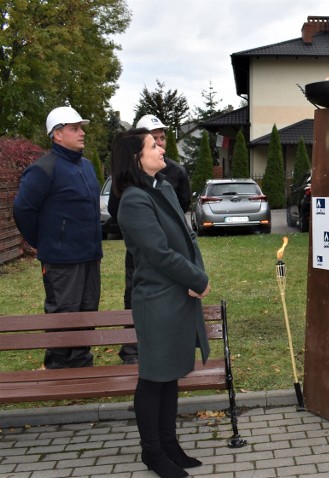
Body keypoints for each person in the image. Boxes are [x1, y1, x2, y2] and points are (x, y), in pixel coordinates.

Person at [110, 128, 210, 477]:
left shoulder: (161, 187)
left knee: (170, 376)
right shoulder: (135, 199)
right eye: (153, 145)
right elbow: (158, 253)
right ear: (136, 159)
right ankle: (152, 453)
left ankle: (169, 444)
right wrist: (196, 279)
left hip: (178, 295)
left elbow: (187, 239)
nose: (160, 148)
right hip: (157, 300)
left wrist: (195, 274)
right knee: (154, 378)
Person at [13, 106, 102, 369]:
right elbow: (22, 209)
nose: (81, 132)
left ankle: (81, 361)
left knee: (87, 310)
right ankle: (57, 365)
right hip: (61, 259)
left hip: (90, 255)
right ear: (57, 134)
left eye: (80, 127)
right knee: (64, 311)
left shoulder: (86, 166)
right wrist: (46, 242)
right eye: (75, 128)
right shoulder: (43, 169)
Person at [108, 114, 191, 365]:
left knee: (170, 295)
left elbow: (182, 205)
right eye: (152, 141)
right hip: (140, 251)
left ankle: (166, 346)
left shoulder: (174, 171)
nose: (159, 145)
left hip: (169, 250)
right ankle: (133, 350)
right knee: (135, 294)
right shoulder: (126, 182)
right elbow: (115, 207)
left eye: (161, 139)